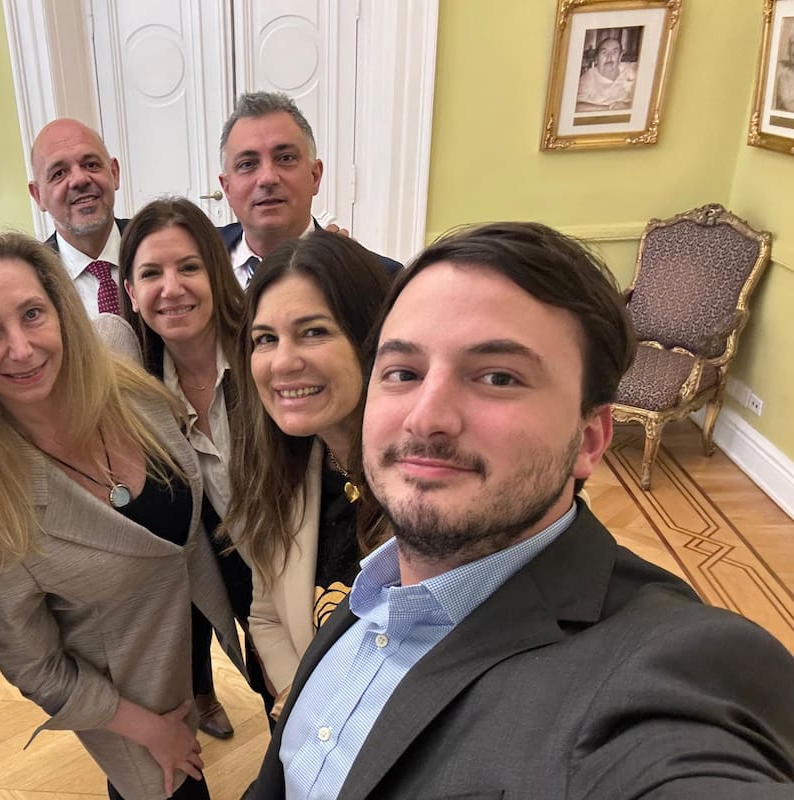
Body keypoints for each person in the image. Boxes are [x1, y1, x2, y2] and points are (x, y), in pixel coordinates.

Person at [253, 222, 794, 799]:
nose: (426, 417)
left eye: (498, 377)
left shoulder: (666, 672)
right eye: (403, 373)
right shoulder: (370, 592)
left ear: (589, 438)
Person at [0, 229, 242, 800]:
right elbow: (33, 663)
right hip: (130, 705)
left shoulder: (121, 374)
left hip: (201, 643)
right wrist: (148, 729)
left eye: (32, 314)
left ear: (62, 310)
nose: (21, 348)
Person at [224, 230, 392, 719]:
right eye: (265, 339)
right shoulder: (275, 471)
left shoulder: (433, 485)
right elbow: (266, 614)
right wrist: (304, 700)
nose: (283, 362)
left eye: (314, 331)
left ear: (371, 339)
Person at [119, 196, 251, 740]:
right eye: (151, 273)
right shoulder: (134, 384)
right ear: (130, 290)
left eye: (189, 267)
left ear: (217, 274)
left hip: (313, 564)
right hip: (228, 571)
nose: (171, 288)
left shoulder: (261, 351)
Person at [217, 91, 401, 285]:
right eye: (247, 164)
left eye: (285, 158)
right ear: (226, 188)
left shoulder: (379, 279)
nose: (268, 178)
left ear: (315, 176)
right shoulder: (199, 253)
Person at [29, 118, 130, 316]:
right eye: (59, 173)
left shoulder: (155, 245)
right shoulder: (31, 278)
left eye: (91, 165)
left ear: (114, 173)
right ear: (38, 195)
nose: (80, 180)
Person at [575, 36, 638, 112]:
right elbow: (576, 107)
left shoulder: (631, 69)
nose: (609, 57)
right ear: (597, 58)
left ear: (620, 57)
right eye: (604, 52)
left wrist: (628, 106)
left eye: (614, 52)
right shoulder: (589, 77)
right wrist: (610, 109)